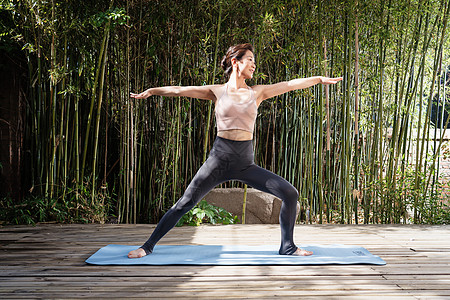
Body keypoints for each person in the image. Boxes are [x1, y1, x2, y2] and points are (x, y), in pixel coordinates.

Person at [128, 43, 342, 258]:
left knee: (290, 193)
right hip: (218, 161)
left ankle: (288, 246)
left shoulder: (258, 92)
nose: (254, 65)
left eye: (254, 61)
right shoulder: (217, 91)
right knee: (185, 203)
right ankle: (147, 246)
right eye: (249, 59)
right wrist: (153, 91)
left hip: (245, 164)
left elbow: (289, 84)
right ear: (235, 62)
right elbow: (179, 90)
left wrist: (318, 79)